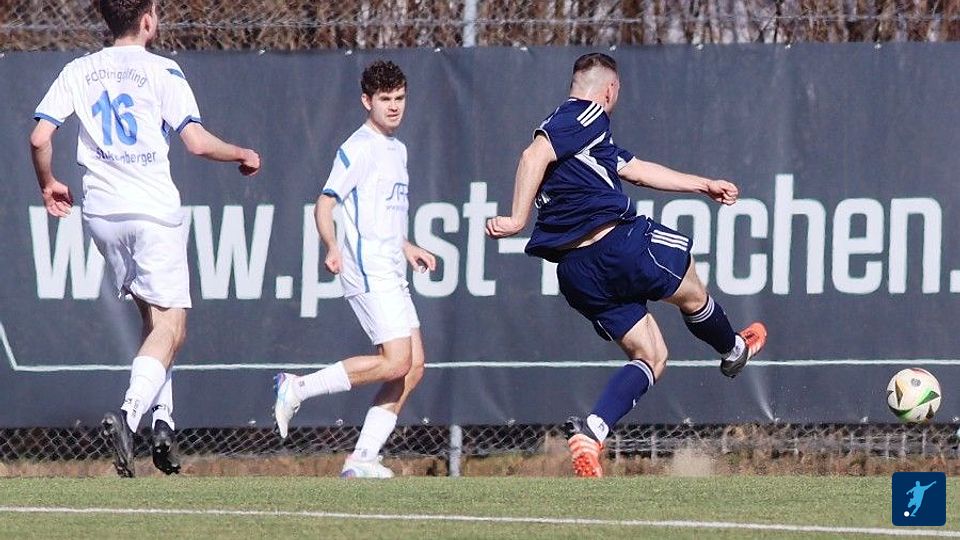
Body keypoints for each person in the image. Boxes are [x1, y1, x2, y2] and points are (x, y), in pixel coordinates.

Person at [486, 53, 767, 478]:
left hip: (576, 271)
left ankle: (592, 432)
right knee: (691, 283)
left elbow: (636, 170)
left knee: (651, 355)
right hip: (617, 244)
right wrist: (516, 219)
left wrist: (702, 185)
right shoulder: (584, 114)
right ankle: (733, 349)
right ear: (609, 89)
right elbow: (532, 155)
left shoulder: (587, 142)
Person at [29, 0, 261, 478]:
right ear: (148, 20)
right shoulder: (163, 71)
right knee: (173, 325)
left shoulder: (79, 70)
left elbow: (38, 138)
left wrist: (48, 182)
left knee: (155, 320)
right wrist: (242, 152)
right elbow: (196, 142)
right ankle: (130, 414)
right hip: (152, 211)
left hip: (102, 214)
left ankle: (163, 424)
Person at [273, 60, 435, 479]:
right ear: (367, 101)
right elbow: (325, 203)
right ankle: (297, 387)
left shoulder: (398, 149)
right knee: (396, 361)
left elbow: (382, 214)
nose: (394, 106)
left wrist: (407, 246)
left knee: (414, 366)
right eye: (385, 99)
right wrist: (332, 246)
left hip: (391, 266)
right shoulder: (359, 147)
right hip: (366, 267)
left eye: (400, 98)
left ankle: (362, 458)